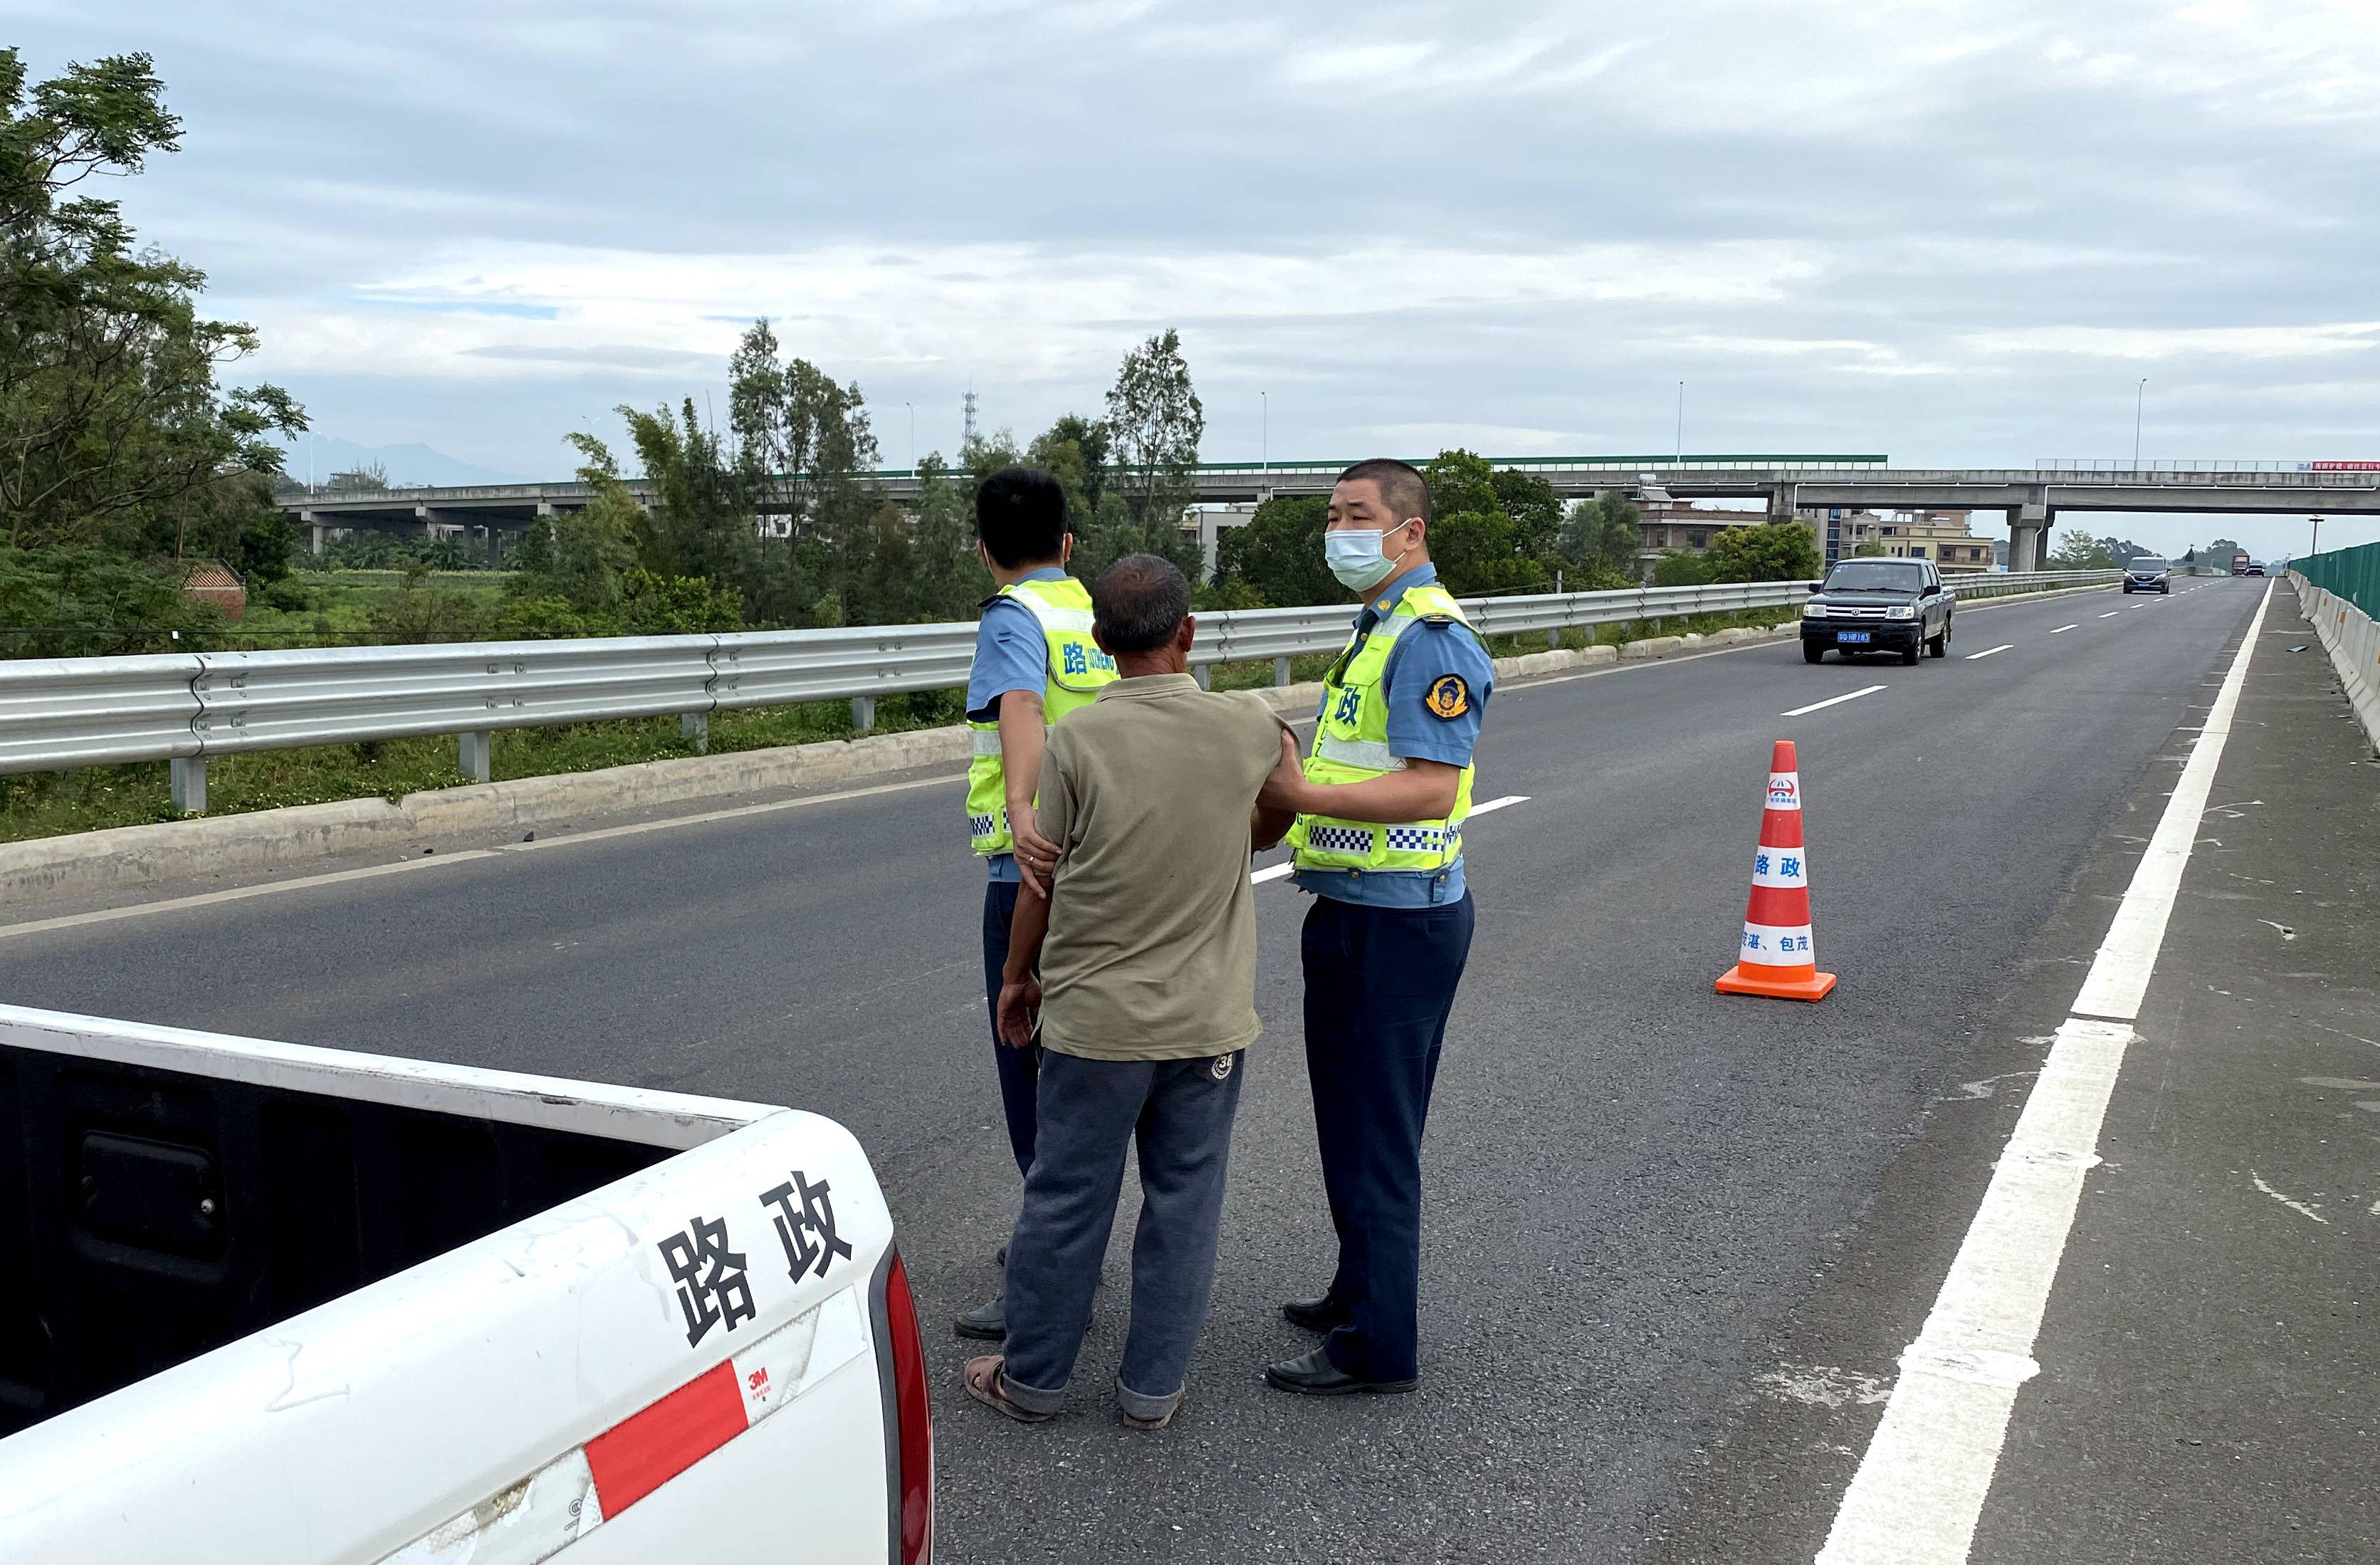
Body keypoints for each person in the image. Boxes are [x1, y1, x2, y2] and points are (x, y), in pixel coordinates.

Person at [960, 554, 1294, 1429]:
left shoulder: (1079, 741)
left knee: (1068, 1199)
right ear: (1188, 633)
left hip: (1096, 1025)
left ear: (1102, 644)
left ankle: (1032, 1379)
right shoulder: (1247, 724)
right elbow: (1272, 818)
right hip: (1208, 1023)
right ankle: (1151, 1391)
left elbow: (1042, 877)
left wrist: (1014, 977)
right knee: (1185, 1204)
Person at [1256, 457, 1495, 1396]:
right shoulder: (1376, 626)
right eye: (1332, 514)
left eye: (1357, 514)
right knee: (1345, 1122)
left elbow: (1431, 783)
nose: (1339, 530)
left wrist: (1297, 789)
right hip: (1351, 904)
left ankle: (1377, 1344)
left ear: (1409, 530)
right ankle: (1355, 1284)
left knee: (1379, 1137)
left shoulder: (1429, 635)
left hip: (1399, 924)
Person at [955, 468, 1116, 1343]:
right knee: (1076, 1071)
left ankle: (1051, 1281)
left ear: (983, 551)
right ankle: (1059, 1251)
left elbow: (1019, 707)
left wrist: (1023, 816)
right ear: (1067, 543)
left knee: (1030, 1069)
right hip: (1108, 862)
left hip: (1033, 874)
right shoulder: (1093, 611)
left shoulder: (1014, 618)